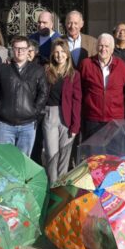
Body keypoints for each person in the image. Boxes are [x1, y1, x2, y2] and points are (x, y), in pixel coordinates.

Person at [0, 36, 48, 156]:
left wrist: (35, 110)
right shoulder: (1, 69)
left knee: (23, 162)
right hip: (5, 123)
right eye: (17, 48)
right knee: (5, 161)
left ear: (28, 50)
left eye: (23, 48)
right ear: (12, 50)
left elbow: (44, 92)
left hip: (28, 124)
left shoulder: (37, 70)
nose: (20, 51)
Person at [43, 39, 81, 183]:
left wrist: (75, 125)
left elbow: (77, 101)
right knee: (52, 155)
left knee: (65, 156)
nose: (59, 55)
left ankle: (61, 188)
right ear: (52, 54)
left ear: (67, 54)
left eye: (62, 52)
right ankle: (52, 187)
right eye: (56, 52)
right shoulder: (46, 71)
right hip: (50, 116)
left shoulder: (74, 75)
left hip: (67, 118)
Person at [78, 33, 125, 139]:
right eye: (101, 45)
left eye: (107, 46)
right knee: (93, 154)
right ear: (96, 47)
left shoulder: (122, 66)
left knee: (114, 154)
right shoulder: (86, 64)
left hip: (115, 120)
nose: (103, 49)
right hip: (92, 118)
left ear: (112, 49)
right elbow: (79, 90)